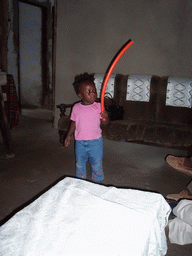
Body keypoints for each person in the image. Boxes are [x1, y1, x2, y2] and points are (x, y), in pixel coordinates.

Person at [64, 73, 109, 182]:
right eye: (88, 92)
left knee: (96, 163)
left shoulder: (99, 107)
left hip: (95, 142)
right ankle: (80, 182)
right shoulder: (76, 108)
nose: (93, 94)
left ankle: (97, 181)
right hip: (80, 143)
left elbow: (105, 125)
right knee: (80, 163)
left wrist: (106, 117)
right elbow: (74, 123)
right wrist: (68, 135)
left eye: (94, 90)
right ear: (80, 95)